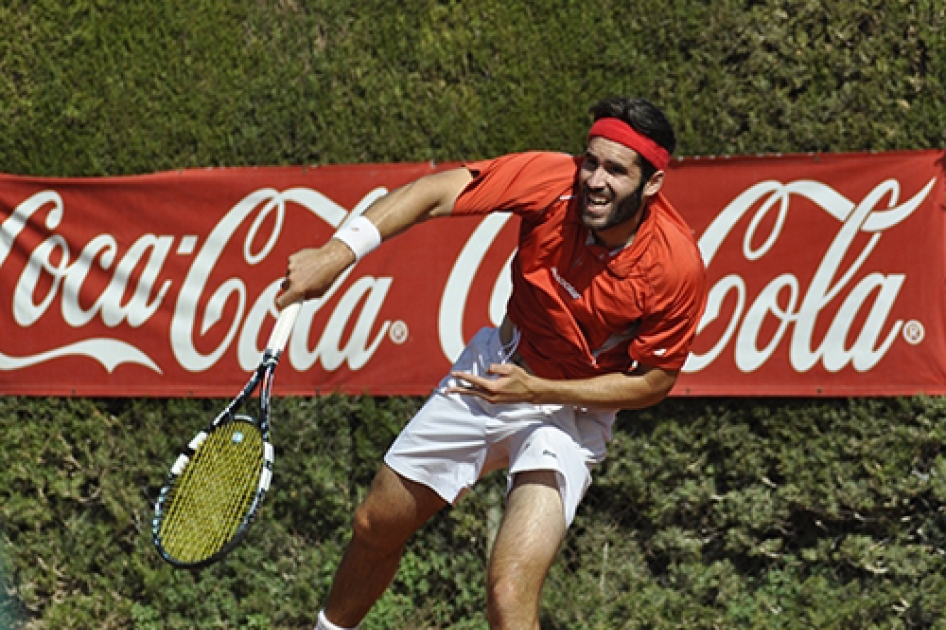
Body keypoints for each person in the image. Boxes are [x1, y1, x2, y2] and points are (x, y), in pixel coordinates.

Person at [277, 96, 708, 630]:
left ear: (651, 185)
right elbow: (432, 193)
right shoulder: (552, 180)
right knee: (374, 525)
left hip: (570, 415)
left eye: (616, 171)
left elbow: (654, 384)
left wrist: (539, 391)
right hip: (494, 369)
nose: (594, 180)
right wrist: (335, 254)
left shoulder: (675, 266)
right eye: (591, 161)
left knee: (509, 589)